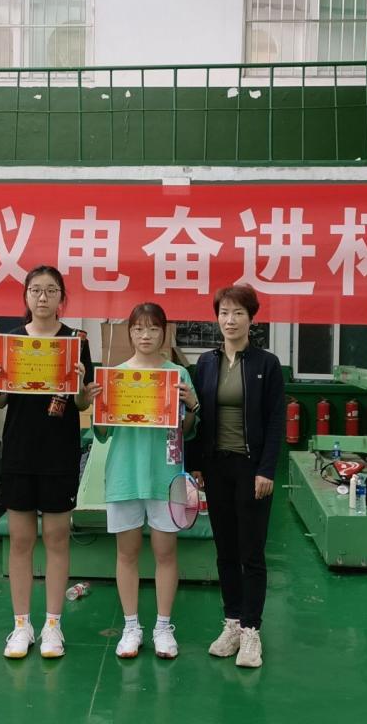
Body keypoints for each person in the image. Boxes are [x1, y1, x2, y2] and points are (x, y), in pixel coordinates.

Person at [0, 265, 95, 659]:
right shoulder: (10, 342)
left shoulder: (76, 342)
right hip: (18, 450)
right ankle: (21, 625)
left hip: (58, 452)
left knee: (57, 538)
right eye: (35, 290)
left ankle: (52, 625)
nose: (43, 297)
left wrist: (81, 384)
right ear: (26, 296)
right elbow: (0, 401)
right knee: (20, 540)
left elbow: (81, 403)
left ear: (61, 297)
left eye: (50, 290)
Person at [92, 303, 199, 660]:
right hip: (124, 476)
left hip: (165, 477)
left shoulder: (178, 376)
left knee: (166, 553)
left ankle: (163, 627)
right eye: (138, 329)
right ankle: (131, 626)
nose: (146, 335)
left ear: (164, 333)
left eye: (153, 328)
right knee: (127, 554)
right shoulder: (115, 377)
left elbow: (188, 430)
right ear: (130, 334)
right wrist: (100, 405)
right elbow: (103, 434)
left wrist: (192, 405)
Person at [187, 284, 284, 669]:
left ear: (251, 319)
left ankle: (251, 630)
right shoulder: (206, 363)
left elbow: (275, 421)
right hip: (216, 467)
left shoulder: (266, 364)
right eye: (224, 313)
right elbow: (198, 418)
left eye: (238, 313)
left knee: (251, 552)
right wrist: (196, 464)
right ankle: (232, 624)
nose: (230, 320)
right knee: (225, 550)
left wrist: (266, 469)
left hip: (250, 468)